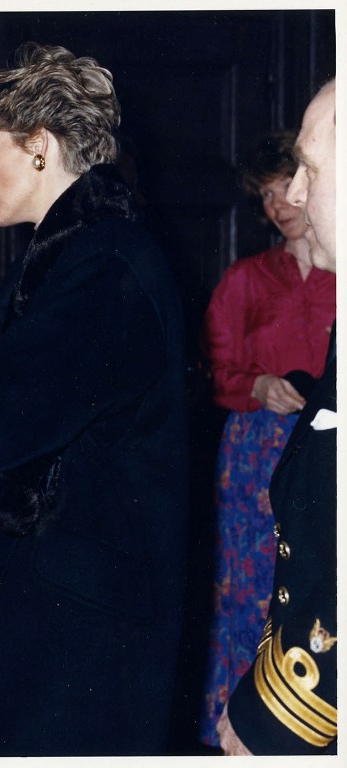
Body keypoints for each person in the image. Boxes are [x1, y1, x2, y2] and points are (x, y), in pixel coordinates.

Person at [0, 42, 188, 756]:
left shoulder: (102, 264)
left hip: (81, 627)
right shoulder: (77, 255)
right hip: (62, 602)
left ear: (40, 146)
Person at [200, 131, 335, 746]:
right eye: (265, 197)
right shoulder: (245, 279)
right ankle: (236, 728)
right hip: (256, 450)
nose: (278, 205)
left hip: (325, 449)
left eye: (285, 188)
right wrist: (255, 386)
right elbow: (212, 372)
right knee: (247, 586)